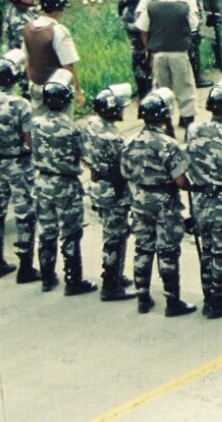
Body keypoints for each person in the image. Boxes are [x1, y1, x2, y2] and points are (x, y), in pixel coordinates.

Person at [124, 87, 195, 316]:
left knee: (143, 248)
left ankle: (142, 297)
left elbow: (125, 172)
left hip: (139, 198)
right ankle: (172, 302)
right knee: (167, 252)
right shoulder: (167, 145)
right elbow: (181, 180)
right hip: (165, 201)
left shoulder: (130, 142)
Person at [30, 68, 93, 295]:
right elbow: (87, 157)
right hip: (66, 185)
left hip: (42, 182)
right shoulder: (73, 129)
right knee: (71, 233)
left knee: (46, 232)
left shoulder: (35, 123)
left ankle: (47, 277)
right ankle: (73, 280)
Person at [187, 76, 222, 319]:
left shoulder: (194, 129)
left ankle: (209, 295)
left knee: (207, 250)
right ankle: (216, 301)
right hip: (221, 199)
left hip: (199, 199)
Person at [0, 49, 37, 282]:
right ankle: (25, 266)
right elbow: (29, 140)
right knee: (24, 213)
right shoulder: (21, 105)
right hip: (17, 164)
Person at [83, 83, 137, 301]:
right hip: (113, 191)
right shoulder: (113, 139)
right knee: (115, 237)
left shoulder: (91, 125)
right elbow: (122, 169)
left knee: (112, 234)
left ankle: (114, 274)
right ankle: (111, 285)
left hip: (97, 185)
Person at [135, 0, 201, 134]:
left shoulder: (152, 6)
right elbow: (193, 26)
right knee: (185, 89)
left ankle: (168, 127)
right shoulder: (184, 6)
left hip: (158, 53)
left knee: (161, 89)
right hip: (179, 52)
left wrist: (148, 49)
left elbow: (143, 29)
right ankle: (188, 127)